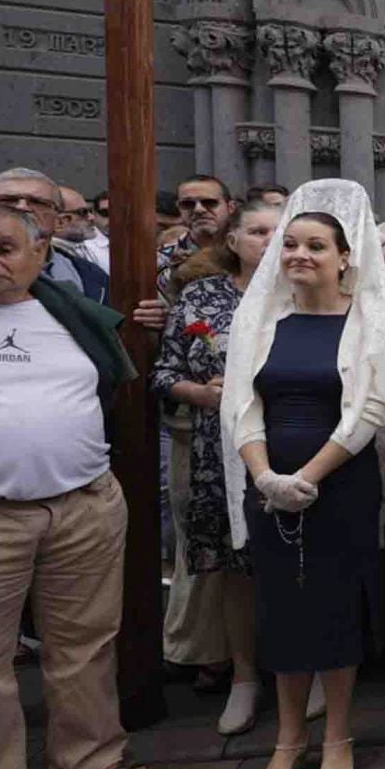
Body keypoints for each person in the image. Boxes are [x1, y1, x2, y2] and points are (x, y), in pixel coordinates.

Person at [0, 203, 159, 769]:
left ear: (40, 253)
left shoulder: (75, 313)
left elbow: (111, 386)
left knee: (86, 640)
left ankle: (89, 757)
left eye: (2, 248)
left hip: (83, 505)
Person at [221, 180, 385, 769]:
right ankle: (286, 741)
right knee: (281, 614)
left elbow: (369, 410)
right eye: (291, 244)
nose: (300, 255)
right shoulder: (261, 320)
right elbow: (240, 404)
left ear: (344, 257)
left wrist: (308, 475)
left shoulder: (367, 321)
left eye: (316, 246)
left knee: (335, 611)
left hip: (340, 488)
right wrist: (265, 477)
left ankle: (336, 737)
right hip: (269, 488)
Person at [151, 197, 280, 735]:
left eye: (279, 232)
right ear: (232, 240)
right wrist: (200, 393)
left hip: (292, 443)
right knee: (234, 567)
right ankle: (244, 677)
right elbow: (163, 373)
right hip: (218, 449)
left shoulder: (306, 294)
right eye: (257, 232)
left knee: (299, 560)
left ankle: (310, 669)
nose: (269, 242)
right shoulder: (201, 296)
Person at [0, 169, 107, 303]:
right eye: (7, 200)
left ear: (59, 221)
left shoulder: (92, 277)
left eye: (37, 202)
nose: (21, 207)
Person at [158, 175, 237, 303]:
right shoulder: (159, 262)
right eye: (187, 204)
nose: (198, 210)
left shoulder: (251, 254)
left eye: (209, 202)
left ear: (231, 207)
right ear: (179, 208)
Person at [55, 187, 109, 274]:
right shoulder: (47, 256)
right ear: (60, 222)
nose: (92, 217)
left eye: (89, 211)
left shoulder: (80, 248)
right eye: (83, 212)